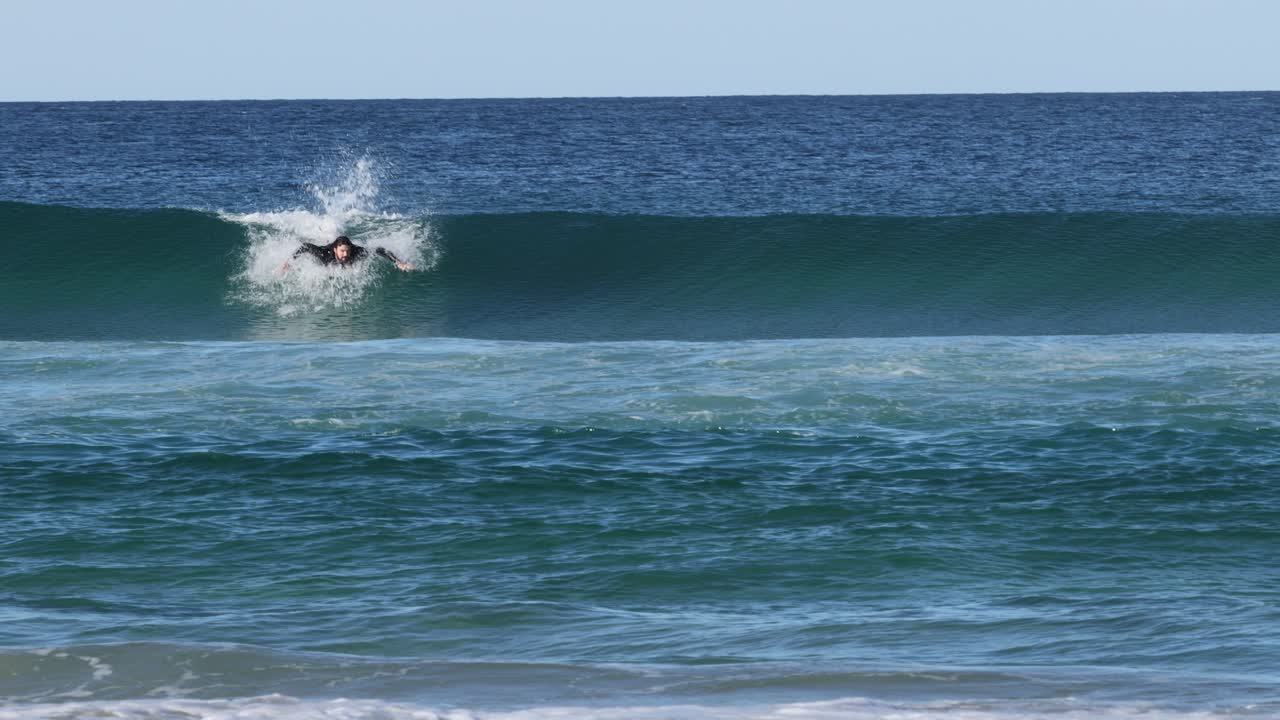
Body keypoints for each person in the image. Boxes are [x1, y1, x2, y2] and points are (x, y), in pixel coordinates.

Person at [278, 236, 415, 273]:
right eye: (342, 251)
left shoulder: (355, 252)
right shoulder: (324, 253)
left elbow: (379, 250)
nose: (345, 254)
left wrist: (398, 262)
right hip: (327, 258)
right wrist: (288, 263)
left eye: (347, 251)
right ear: (335, 250)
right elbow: (305, 247)